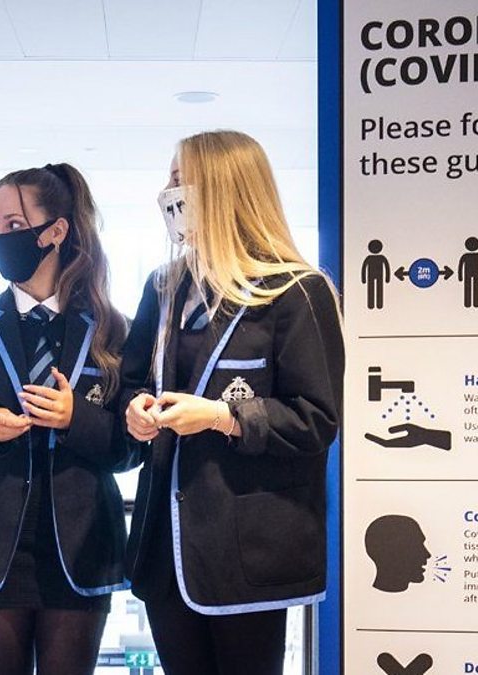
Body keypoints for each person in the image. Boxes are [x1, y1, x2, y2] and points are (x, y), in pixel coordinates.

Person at [121, 130, 345, 675]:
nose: (168, 194)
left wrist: (222, 417)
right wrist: (134, 410)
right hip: (165, 547)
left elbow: (316, 420)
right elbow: (131, 382)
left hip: (248, 549)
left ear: (222, 189)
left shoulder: (296, 291)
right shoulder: (164, 288)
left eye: (180, 181)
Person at [0, 163, 135, 675]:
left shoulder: (113, 329)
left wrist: (74, 418)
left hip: (82, 550)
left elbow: (132, 447)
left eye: (14, 225)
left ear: (56, 231)